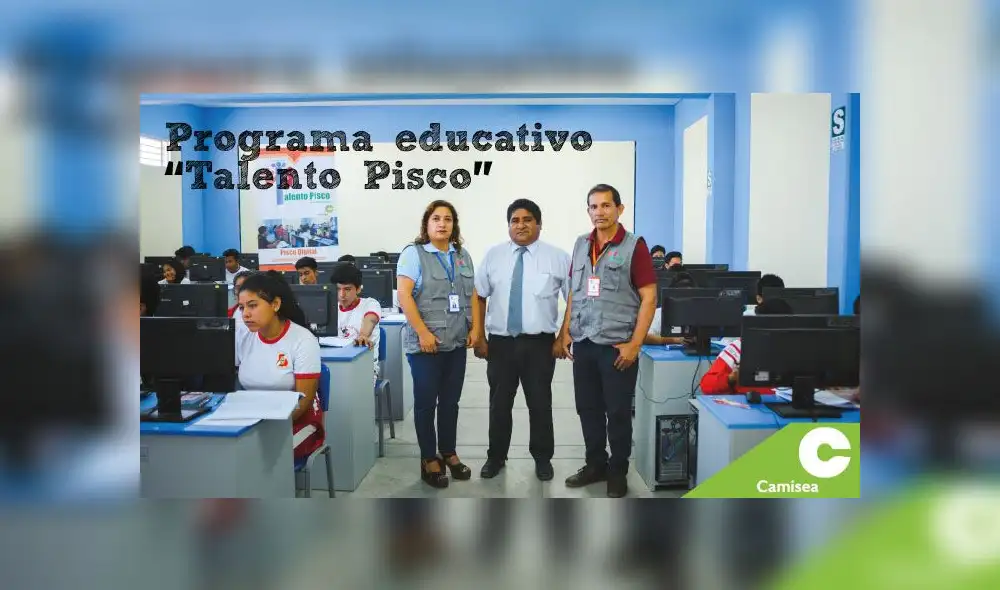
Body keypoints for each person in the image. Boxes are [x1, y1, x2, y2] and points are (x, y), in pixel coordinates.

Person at [558, 183, 657, 498]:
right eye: (593, 207)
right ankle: (595, 464)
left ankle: (618, 471)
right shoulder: (579, 245)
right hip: (585, 342)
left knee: (616, 412)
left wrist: (635, 344)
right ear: (588, 211)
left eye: (605, 206)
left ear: (619, 209)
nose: (599, 212)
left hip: (617, 347)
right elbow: (574, 291)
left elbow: (649, 297)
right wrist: (565, 332)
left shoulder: (634, 247)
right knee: (587, 409)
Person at [473, 198, 570, 481]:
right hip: (500, 344)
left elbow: (574, 300)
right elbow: (479, 295)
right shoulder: (494, 256)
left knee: (540, 403)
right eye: (515, 220)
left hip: (539, 344)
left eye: (527, 219)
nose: (521, 225)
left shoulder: (558, 257)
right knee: (499, 403)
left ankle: (542, 458)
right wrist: (479, 335)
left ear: (539, 224)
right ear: (508, 226)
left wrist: (562, 337)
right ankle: (496, 456)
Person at [396, 199, 481, 488]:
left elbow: (471, 295)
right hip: (425, 346)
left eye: (447, 219)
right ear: (427, 224)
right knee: (425, 403)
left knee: (450, 402)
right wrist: (422, 332)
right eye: (436, 218)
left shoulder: (462, 255)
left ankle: (448, 451)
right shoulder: (413, 254)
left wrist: (477, 328)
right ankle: (428, 457)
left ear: (454, 224)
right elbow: (404, 296)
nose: (442, 224)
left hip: (456, 342)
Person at [235, 273, 324, 461]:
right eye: (242, 307)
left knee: (256, 454)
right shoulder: (243, 337)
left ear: (275, 304)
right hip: (254, 420)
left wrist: (263, 428)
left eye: (253, 305)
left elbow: (303, 403)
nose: (245, 314)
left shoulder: (302, 340)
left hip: (298, 422)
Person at [698, 297, 794, 395]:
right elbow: (707, 385)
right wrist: (732, 378)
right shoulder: (739, 348)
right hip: (749, 406)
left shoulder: (799, 349)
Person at [329, 262, 382, 383]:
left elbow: (371, 318)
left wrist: (363, 336)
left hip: (365, 366)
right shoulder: (330, 307)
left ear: (358, 289)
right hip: (335, 363)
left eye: (347, 289)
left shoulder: (370, 303)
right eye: (338, 289)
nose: (342, 295)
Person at [644, 271, 697, 346]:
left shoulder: (698, 314)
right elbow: (645, 337)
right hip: (661, 355)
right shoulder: (659, 313)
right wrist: (674, 340)